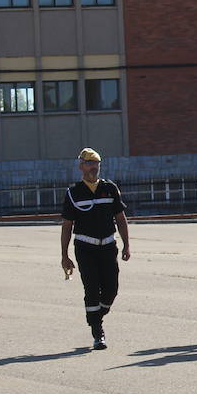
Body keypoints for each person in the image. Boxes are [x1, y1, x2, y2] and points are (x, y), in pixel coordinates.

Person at [60, 148, 131, 350]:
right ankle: (97, 331)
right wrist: (64, 256)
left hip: (108, 246)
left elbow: (120, 218)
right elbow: (67, 226)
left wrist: (127, 244)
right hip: (85, 248)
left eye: (96, 163)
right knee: (91, 288)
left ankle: (96, 315)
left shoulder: (110, 188)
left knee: (111, 289)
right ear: (81, 166)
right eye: (89, 163)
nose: (93, 167)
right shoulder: (73, 193)